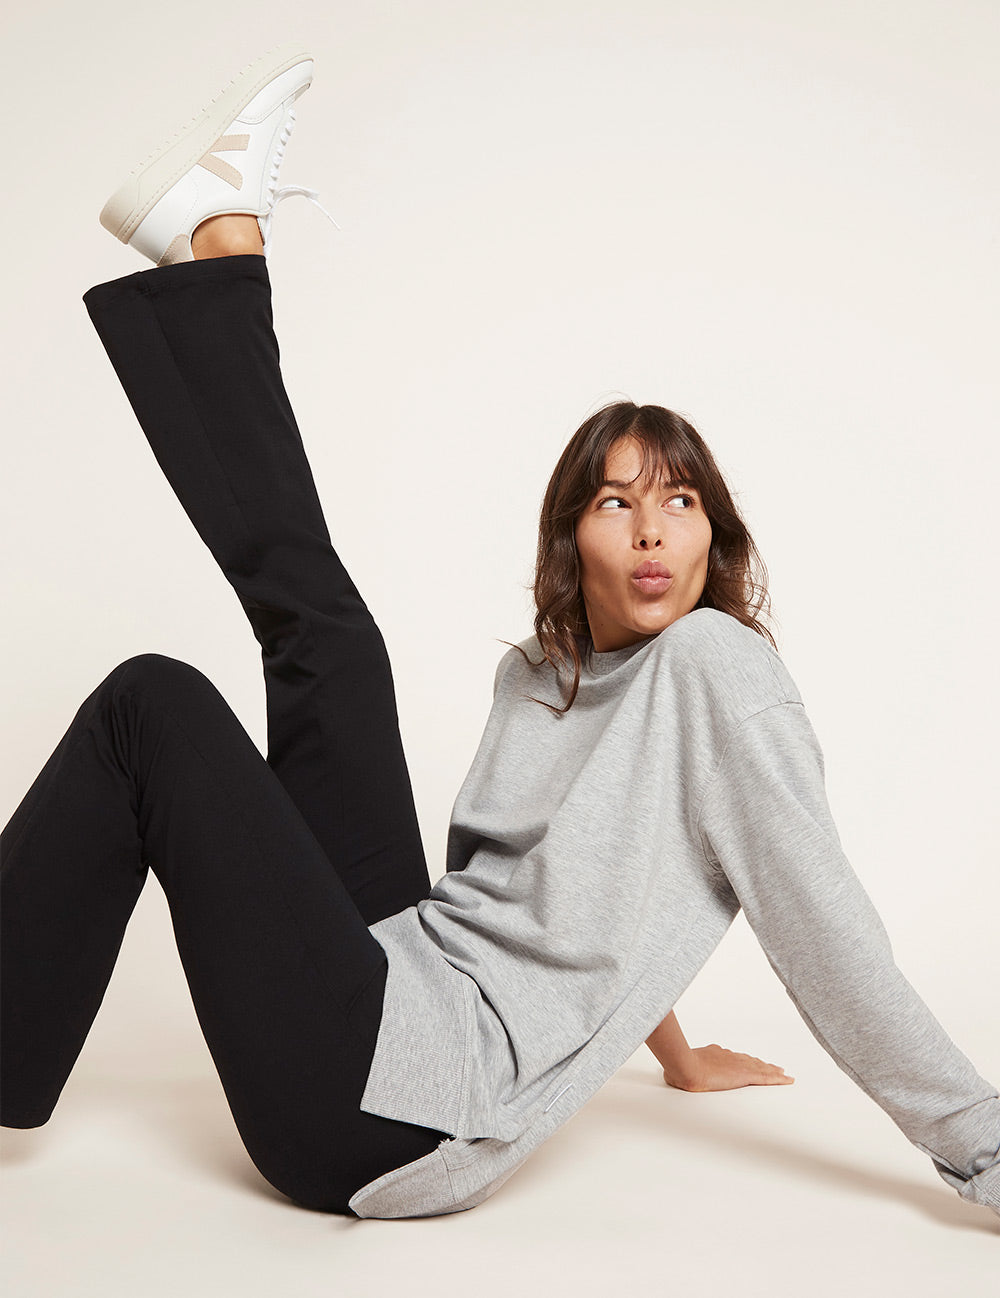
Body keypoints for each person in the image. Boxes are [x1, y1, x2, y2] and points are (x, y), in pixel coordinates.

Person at [2, 43, 998, 1223]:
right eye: (616, 500)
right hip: (403, 986)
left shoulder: (720, 670)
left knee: (151, 704)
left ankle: (221, 245)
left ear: (713, 536)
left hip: (391, 1112)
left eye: (681, 501)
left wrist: (980, 1140)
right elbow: (568, 898)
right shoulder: (542, 674)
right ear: (572, 534)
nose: (651, 531)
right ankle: (220, 245)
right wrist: (672, 1051)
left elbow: (820, 919)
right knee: (329, 647)